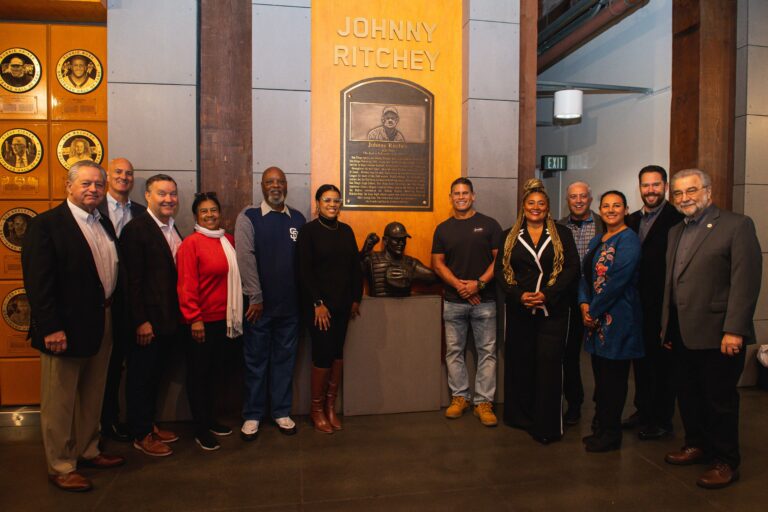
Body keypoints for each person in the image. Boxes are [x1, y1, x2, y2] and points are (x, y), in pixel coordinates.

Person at [21, 161, 125, 492]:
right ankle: (61, 464)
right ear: (69, 186)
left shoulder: (103, 223)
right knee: (61, 400)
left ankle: (88, 449)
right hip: (64, 328)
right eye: (86, 184)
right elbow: (39, 283)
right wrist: (50, 327)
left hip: (102, 320)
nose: (93, 189)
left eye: (98, 184)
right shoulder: (48, 225)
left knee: (92, 394)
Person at [661, 169, 762, 489]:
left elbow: (745, 282)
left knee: (719, 401)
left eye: (690, 191)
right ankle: (698, 444)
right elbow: (671, 285)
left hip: (720, 334)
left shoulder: (736, 225)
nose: (684, 198)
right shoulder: (675, 230)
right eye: (677, 193)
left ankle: (725, 461)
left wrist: (735, 329)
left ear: (708, 190)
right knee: (688, 395)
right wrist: (666, 329)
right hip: (681, 330)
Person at [497, 178, 580, 444]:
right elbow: (502, 272)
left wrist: (548, 295)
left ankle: (546, 426)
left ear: (548, 207)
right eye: (531, 203)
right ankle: (521, 417)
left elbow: (571, 270)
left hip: (553, 311)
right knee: (521, 364)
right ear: (523, 206)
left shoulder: (562, 234)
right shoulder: (509, 235)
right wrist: (520, 296)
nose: (536, 207)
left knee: (549, 365)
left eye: (541, 203)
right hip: (520, 310)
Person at [236, 167, 306, 440]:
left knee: (284, 362)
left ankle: (280, 411)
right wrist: (255, 296)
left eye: (280, 182)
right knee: (255, 362)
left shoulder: (298, 219)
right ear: (262, 186)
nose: (275, 186)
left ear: (286, 185)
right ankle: (252, 415)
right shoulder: (249, 217)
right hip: (259, 308)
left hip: (290, 308)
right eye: (270, 182)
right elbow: (245, 257)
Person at [431, 177, 502, 427]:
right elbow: (437, 263)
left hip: (485, 301)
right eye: (456, 193)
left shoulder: (489, 225)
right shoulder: (443, 229)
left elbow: (499, 261)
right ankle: (460, 398)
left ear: (473, 196)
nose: (460, 197)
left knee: (487, 353)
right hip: (453, 301)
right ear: (451, 197)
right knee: (454, 352)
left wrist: (478, 284)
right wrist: (461, 286)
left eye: (465, 193)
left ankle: (483, 402)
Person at [121, 174, 184, 457]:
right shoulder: (137, 229)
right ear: (148, 196)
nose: (169, 199)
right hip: (148, 323)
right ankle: (141, 434)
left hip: (168, 321)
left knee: (155, 376)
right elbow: (131, 281)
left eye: (172, 194)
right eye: (162, 194)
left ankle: (150, 424)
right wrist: (140, 321)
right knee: (141, 378)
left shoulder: (172, 227)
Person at [177, 192, 243, 450]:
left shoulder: (229, 240)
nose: (210, 215)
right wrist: (194, 319)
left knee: (216, 374)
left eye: (213, 210)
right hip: (201, 324)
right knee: (199, 376)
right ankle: (200, 428)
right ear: (196, 216)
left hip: (226, 322)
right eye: (204, 211)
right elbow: (186, 286)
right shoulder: (191, 244)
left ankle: (211, 419)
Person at [579, 190, 643, 452]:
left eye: (617, 205)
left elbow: (618, 281)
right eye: (606, 206)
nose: (611, 210)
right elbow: (584, 275)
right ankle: (600, 427)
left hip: (619, 321)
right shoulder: (597, 240)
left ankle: (611, 434)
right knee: (601, 380)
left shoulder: (629, 240)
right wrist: (584, 303)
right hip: (595, 321)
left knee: (614, 383)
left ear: (626, 210)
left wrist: (593, 311)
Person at [624, 165, 683, 439]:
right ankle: (643, 410)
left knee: (663, 366)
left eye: (655, 185)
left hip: (663, 306)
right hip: (635, 305)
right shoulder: (632, 219)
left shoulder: (678, 219)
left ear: (665, 186)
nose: (650, 190)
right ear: (639, 188)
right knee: (642, 362)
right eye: (645, 185)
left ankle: (661, 419)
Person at [297, 184, 362, 434]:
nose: (333, 205)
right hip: (319, 309)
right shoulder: (309, 232)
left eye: (337, 201)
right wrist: (317, 303)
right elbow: (304, 271)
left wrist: (356, 298)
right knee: (322, 355)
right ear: (318, 203)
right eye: (327, 200)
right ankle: (316, 411)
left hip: (344, 306)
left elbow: (355, 268)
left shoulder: (346, 231)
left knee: (337, 354)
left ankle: (330, 407)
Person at [96, 157, 147, 443]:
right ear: (107, 178)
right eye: (118, 172)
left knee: (131, 365)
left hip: (133, 302)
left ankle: (121, 421)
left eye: (129, 173)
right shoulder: (94, 208)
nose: (124, 177)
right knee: (106, 366)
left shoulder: (141, 212)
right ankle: (104, 422)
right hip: (105, 301)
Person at [557, 181, 605, 425]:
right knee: (569, 356)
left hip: (600, 299)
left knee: (602, 357)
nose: (578, 201)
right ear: (568, 200)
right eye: (573, 197)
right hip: (568, 300)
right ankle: (574, 404)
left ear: (590, 198)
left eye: (582, 196)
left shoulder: (604, 224)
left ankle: (603, 409)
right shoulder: (557, 227)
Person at [360, 221, 436, 297]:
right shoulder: (371, 259)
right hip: (376, 306)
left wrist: (412, 274)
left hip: (405, 307)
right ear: (385, 240)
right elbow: (353, 274)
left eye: (403, 239)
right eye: (397, 239)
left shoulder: (410, 262)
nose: (401, 243)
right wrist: (363, 253)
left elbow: (434, 277)